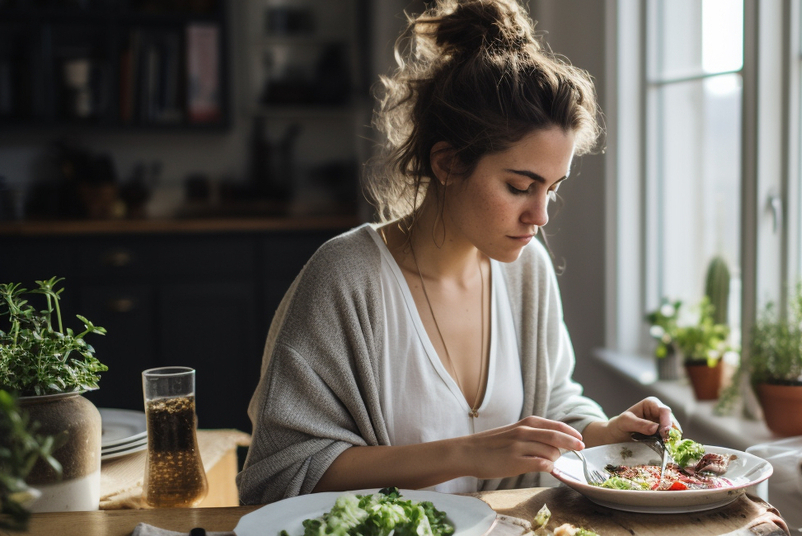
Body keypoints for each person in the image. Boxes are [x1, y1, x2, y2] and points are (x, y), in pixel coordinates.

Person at [236, 0, 675, 505]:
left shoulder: (526, 270)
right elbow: (280, 471)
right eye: (519, 186)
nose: (541, 215)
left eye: (551, 189)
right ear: (447, 163)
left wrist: (604, 434)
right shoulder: (345, 279)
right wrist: (467, 453)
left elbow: (553, 406)